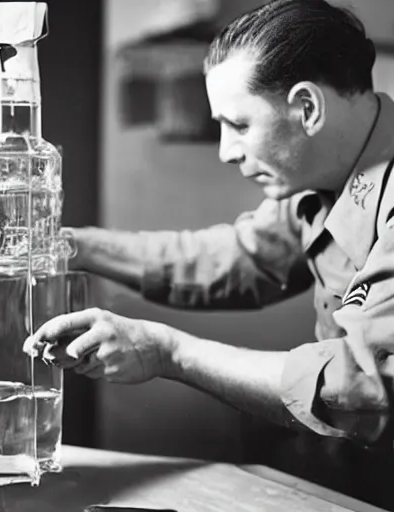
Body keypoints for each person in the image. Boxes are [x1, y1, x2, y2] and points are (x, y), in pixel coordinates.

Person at [25, 0, 394, 504]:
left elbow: (360, 382)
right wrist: (74, 246)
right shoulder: (319, 177)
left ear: (307, 107)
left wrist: (170, 352)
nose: (226, 150)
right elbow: (242, 258)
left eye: (239, 125)